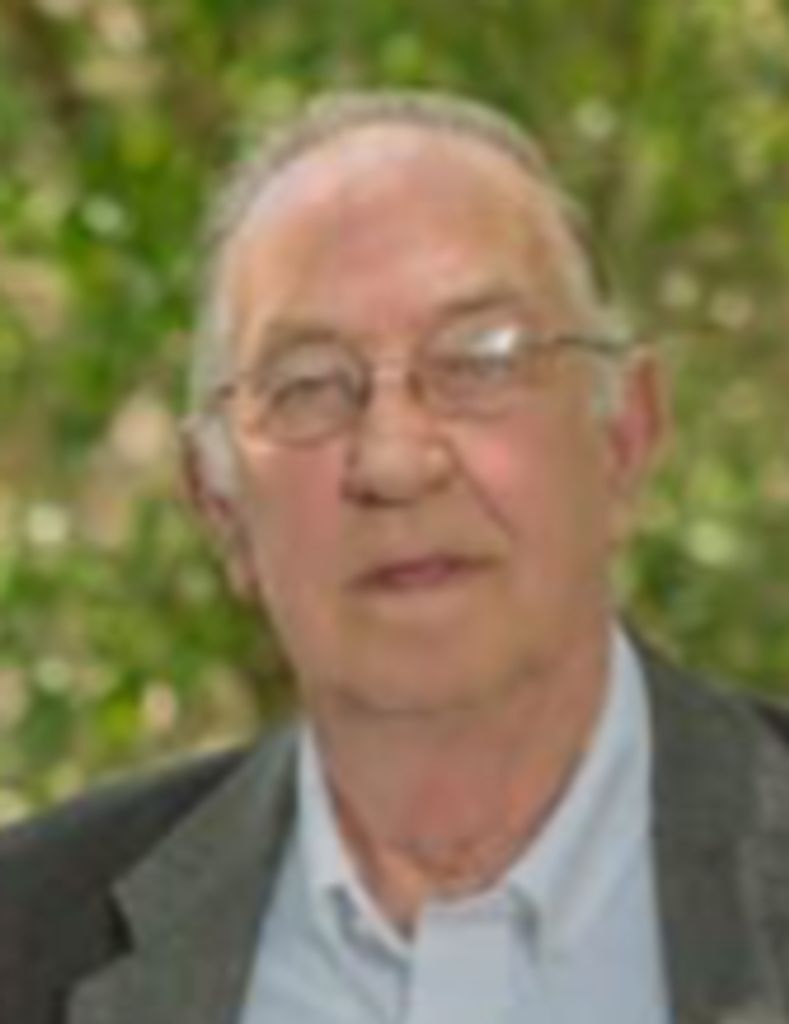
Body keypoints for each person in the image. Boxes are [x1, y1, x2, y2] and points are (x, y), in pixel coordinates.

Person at [1, 89, 787, 1024]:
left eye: (481, 359)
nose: (393, 461)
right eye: (306, 386)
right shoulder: (29, 935)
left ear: (623, 439)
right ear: (221, 509)